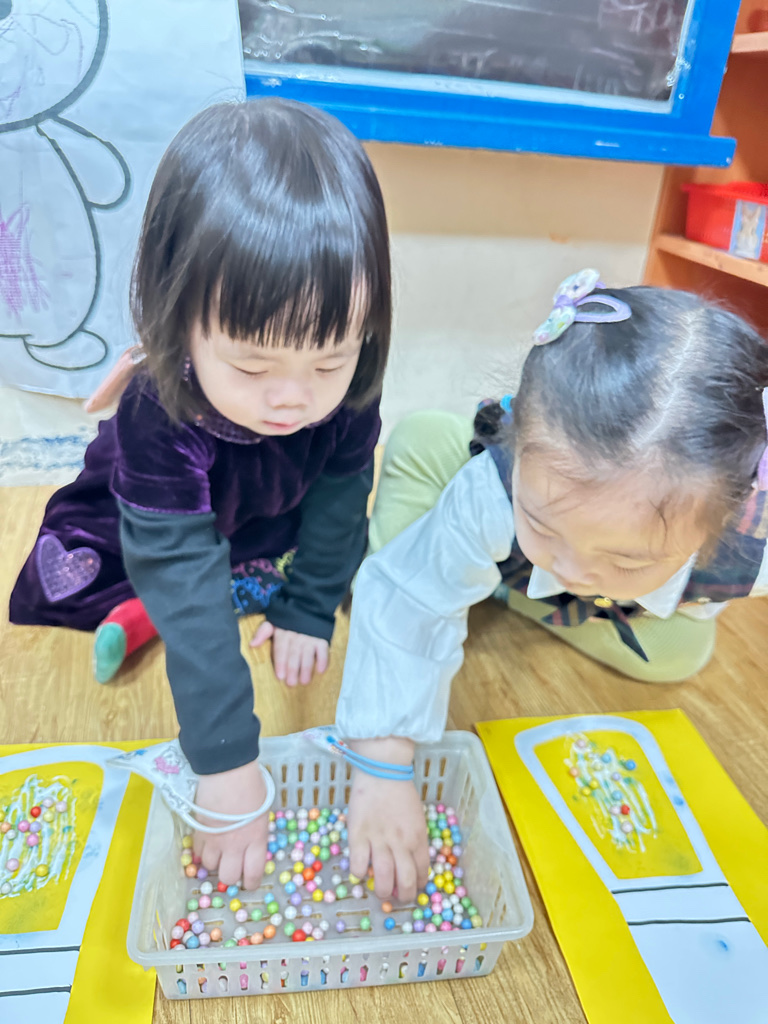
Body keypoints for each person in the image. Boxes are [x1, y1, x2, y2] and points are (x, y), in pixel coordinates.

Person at [10, 98, 391, 888]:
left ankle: (253, 584)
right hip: (166, 506)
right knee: (122, 575)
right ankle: (155, 607)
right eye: (252, 365)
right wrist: (225, 762)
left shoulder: (350, 381)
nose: (293, 397)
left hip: (265, 505)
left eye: (329, 360)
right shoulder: (158, 407)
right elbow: (179, 567)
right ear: (178, 318)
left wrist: (310, 607)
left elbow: (340, 497)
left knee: (343, 561)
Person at [335, 270, 768, 901]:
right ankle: (483, 552)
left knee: (675, 657)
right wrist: (381, 768)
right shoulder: (496, 486)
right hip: (474, 505)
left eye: (627, 559)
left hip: (546, 569)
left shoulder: (748, 538)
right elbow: (408, 601)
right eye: (543, 524)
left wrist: (556, 551)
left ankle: (499, 578)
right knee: (420, 496)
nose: (575, 568)